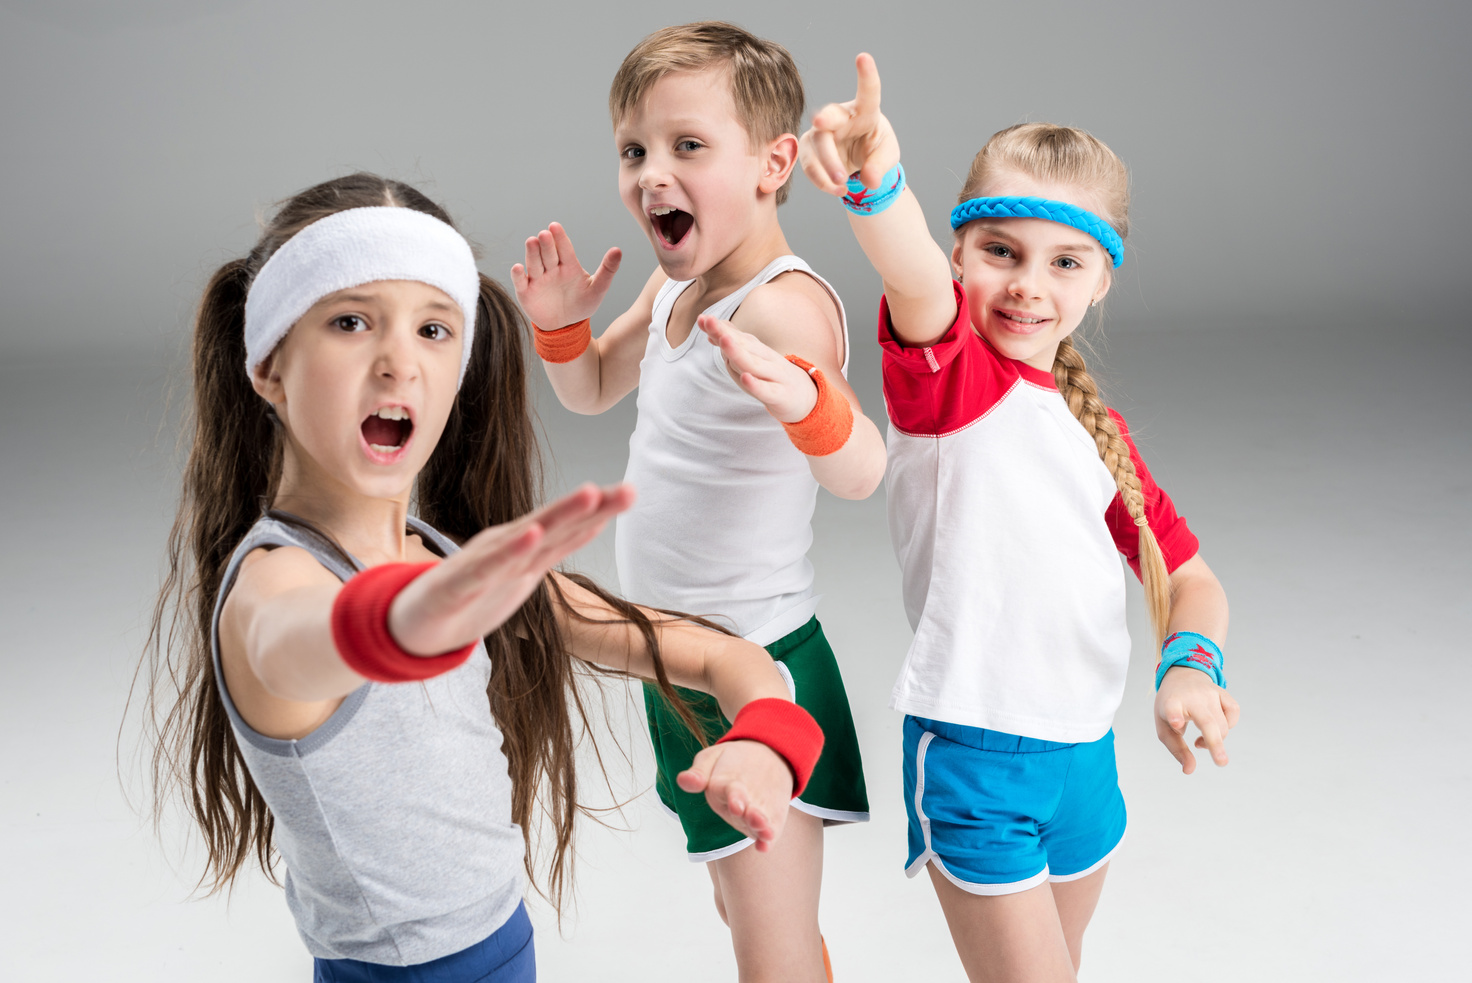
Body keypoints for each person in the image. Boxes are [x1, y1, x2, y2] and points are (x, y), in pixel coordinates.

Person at [140, 173, 826, 982]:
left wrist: (769, 739)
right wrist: (403, 623)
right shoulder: (274, 582)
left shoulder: (447, 564)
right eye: (351, 321)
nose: (399, 361)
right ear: (267, 365)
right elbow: (298, 637)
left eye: (434, 329)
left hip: (507, 947)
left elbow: (718, 656)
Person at [797, 56, 1242, 982]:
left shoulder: (1094, 428)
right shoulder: (949, 377)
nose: (1028, 284)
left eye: (1065, 261)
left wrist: (1190, 664)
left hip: (1086, 758)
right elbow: (911, 273)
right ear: (963, 253)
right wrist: (878, 187)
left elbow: (1189, 577)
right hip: (977, 759)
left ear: (1101, 282)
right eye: (1000, 249)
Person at [509, 22, 886, 983]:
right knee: (745, 908)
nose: (650, 175)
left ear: (774, 164)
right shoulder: (681, 293)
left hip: (757, 663)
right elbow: (593, 389)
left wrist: (809, 405)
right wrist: (561, 332)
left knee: (771, 941)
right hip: (679, 661)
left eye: (688, 147)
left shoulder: (780, 304)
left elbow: (858, 474)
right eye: (634, 151)